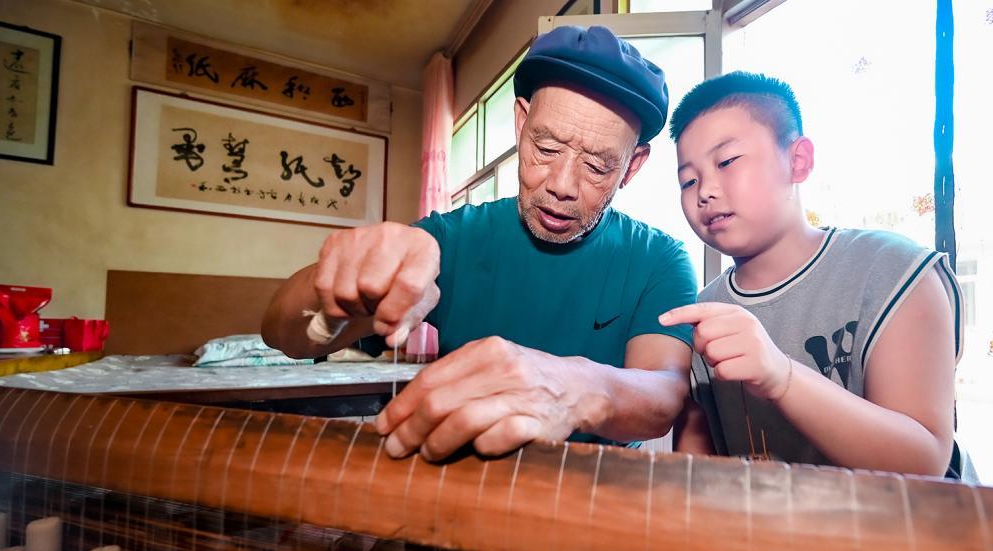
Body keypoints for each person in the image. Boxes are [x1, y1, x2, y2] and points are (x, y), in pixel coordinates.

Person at [262, 26, 697, 461]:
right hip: (462, 491)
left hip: (594, 500)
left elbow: (662, 397)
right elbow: (287, 336)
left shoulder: (658, 259)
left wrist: (574, 385)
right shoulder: (451, 239)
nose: (563, 186)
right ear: (521, 122)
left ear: (632, 166)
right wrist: (344, 283)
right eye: (545, 149)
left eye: (598, 166)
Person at [659, 72, 966, 478]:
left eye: (727, 161)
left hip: (910, 535)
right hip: (772, 539)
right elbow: (696, 475)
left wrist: (781, 375)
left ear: (798, 160)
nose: (705, 191)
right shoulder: (704, 313)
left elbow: (924, 462)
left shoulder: (893, 270)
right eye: (689, 180)